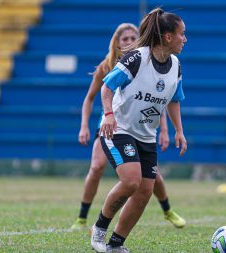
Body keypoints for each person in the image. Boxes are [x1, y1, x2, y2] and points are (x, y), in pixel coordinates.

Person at [71, 23, 185, 232]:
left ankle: (167, 210)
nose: (130, 41)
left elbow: (156, 102)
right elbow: (90, 98)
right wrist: (84, 126)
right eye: (125, 39)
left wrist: (168, 130)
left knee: (150, 177)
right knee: (97, 167)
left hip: (141, 128)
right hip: (111, 123)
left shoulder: (151, 61)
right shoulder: (108, 66)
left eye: (134, 37)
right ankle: (82, 218)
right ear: (117, 42)